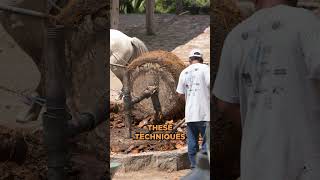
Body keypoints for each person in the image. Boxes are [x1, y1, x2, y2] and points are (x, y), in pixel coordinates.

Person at [213, 0, 320, 179]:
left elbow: (224, 103)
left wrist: (259, 125)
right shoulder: (306, 22)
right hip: (304, 166)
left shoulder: (236, 35)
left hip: (255, 167)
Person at [176, 49, 210, 169]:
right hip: (205, 113)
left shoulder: (184, 72)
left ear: (190, 60)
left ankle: (195, 167)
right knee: (207, 143)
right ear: (201, 59)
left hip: (190, 115)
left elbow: (180, 93)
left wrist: (189, 101)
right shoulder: (206, 69)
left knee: (192, 142)